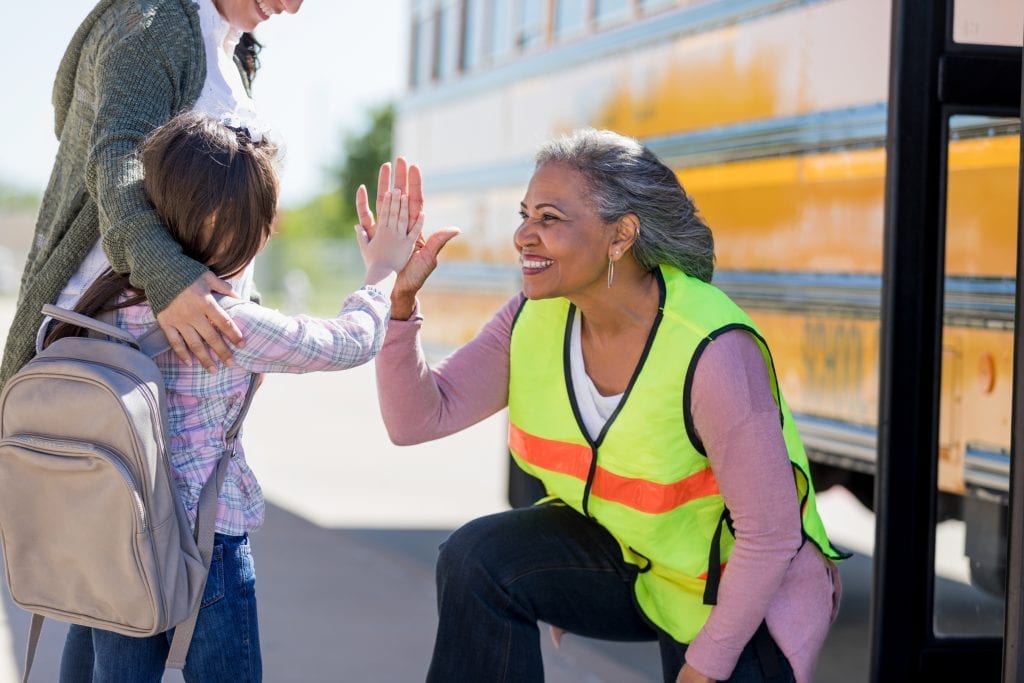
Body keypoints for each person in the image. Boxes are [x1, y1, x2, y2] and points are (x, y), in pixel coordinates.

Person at [371, 128, 846, 683]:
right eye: (525, 215)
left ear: (620, 236)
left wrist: (704, 667)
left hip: (740, 596)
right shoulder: (532, 316)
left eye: (549, 218)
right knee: (479, 559)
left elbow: (771, 536)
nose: (524, 235)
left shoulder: (713, 348)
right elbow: (416, 419)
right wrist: (398, 302)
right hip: (639, 567)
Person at [48, 111, 423, 681]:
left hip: (116, 539)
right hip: (206, 545)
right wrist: (382, 272)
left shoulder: (101, 302)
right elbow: (348, 342)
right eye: (264, 219)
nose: (271, 230)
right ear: (228, 222)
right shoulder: (226, 325)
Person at [1, 0, 308, 395]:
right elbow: (116, 159)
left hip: (175, 336)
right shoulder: (154, 19)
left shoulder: (230, 46)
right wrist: (169, 276)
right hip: (116, 335)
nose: (294, 7)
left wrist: (246, 302)